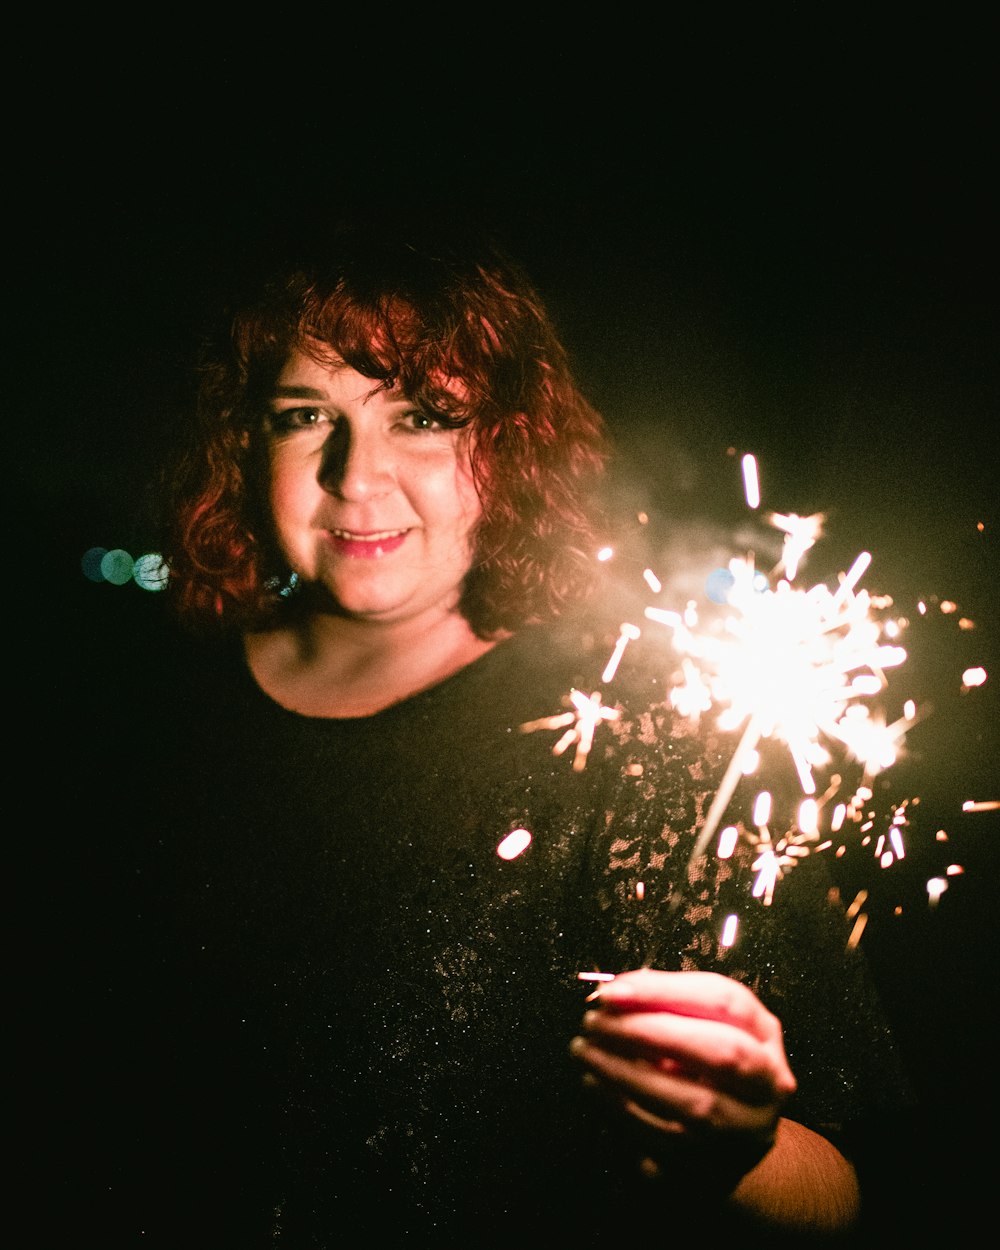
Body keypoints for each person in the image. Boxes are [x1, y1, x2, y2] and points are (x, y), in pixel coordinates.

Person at [53, 214, 914, 1247]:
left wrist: (728, 1148)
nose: (356, 476)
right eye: (302, 415)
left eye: (420, 415)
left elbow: (847, 1191)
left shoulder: (640, 737)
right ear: (246, 441)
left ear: (509, 443)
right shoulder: (137, 705)